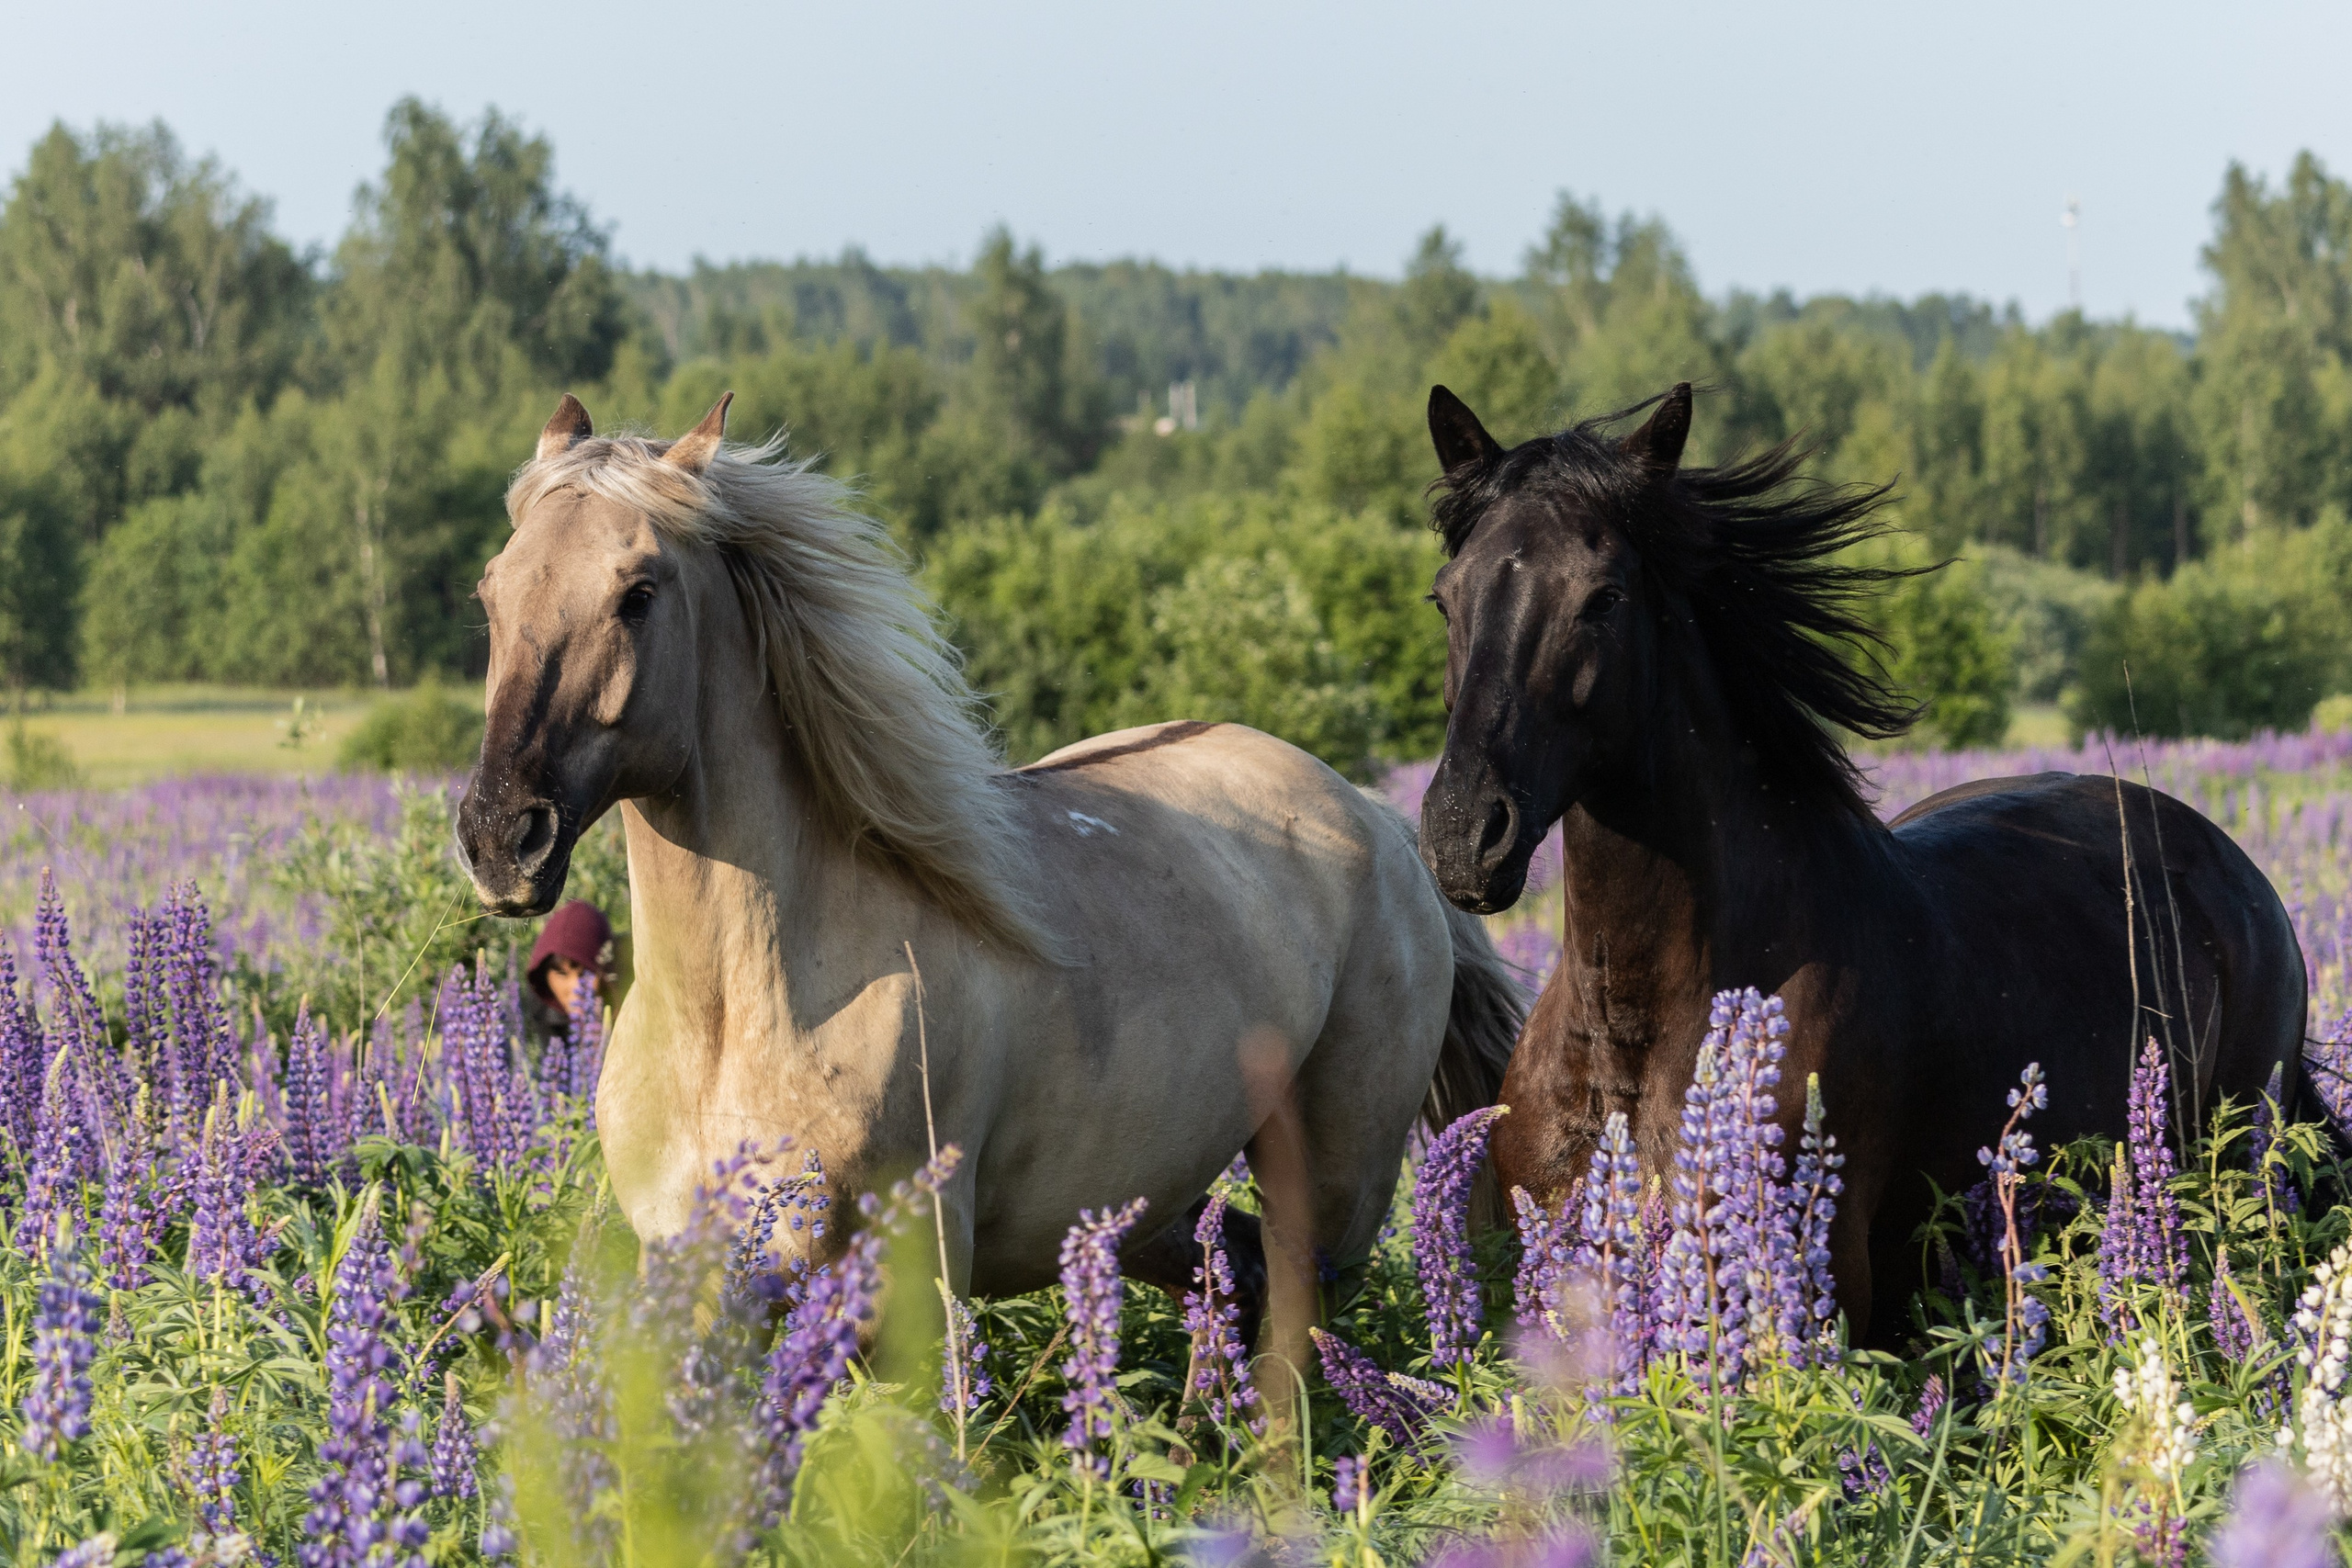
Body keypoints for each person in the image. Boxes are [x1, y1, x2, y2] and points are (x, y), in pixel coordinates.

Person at [526, 900, 615, 1033]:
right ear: (544, 975)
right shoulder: (543, 1008)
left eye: (585, 974)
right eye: (562, 974)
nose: (577, 988)